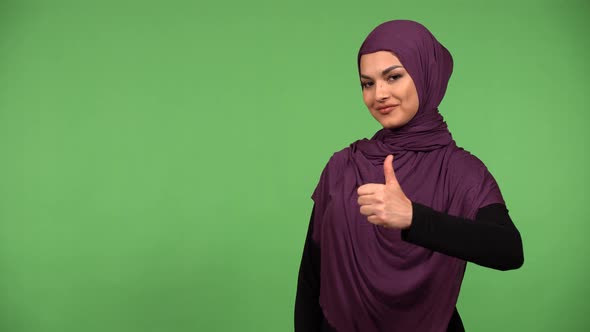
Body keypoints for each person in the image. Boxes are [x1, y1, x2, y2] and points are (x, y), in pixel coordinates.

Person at [294, 20, 524, 332]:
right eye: (367, 83)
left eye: (393, 77)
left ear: (426, 74)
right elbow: (312, 275)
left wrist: (414, 218)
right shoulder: (343, 165)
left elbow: (509, 250)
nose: (379, 94)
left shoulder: (461, 171)